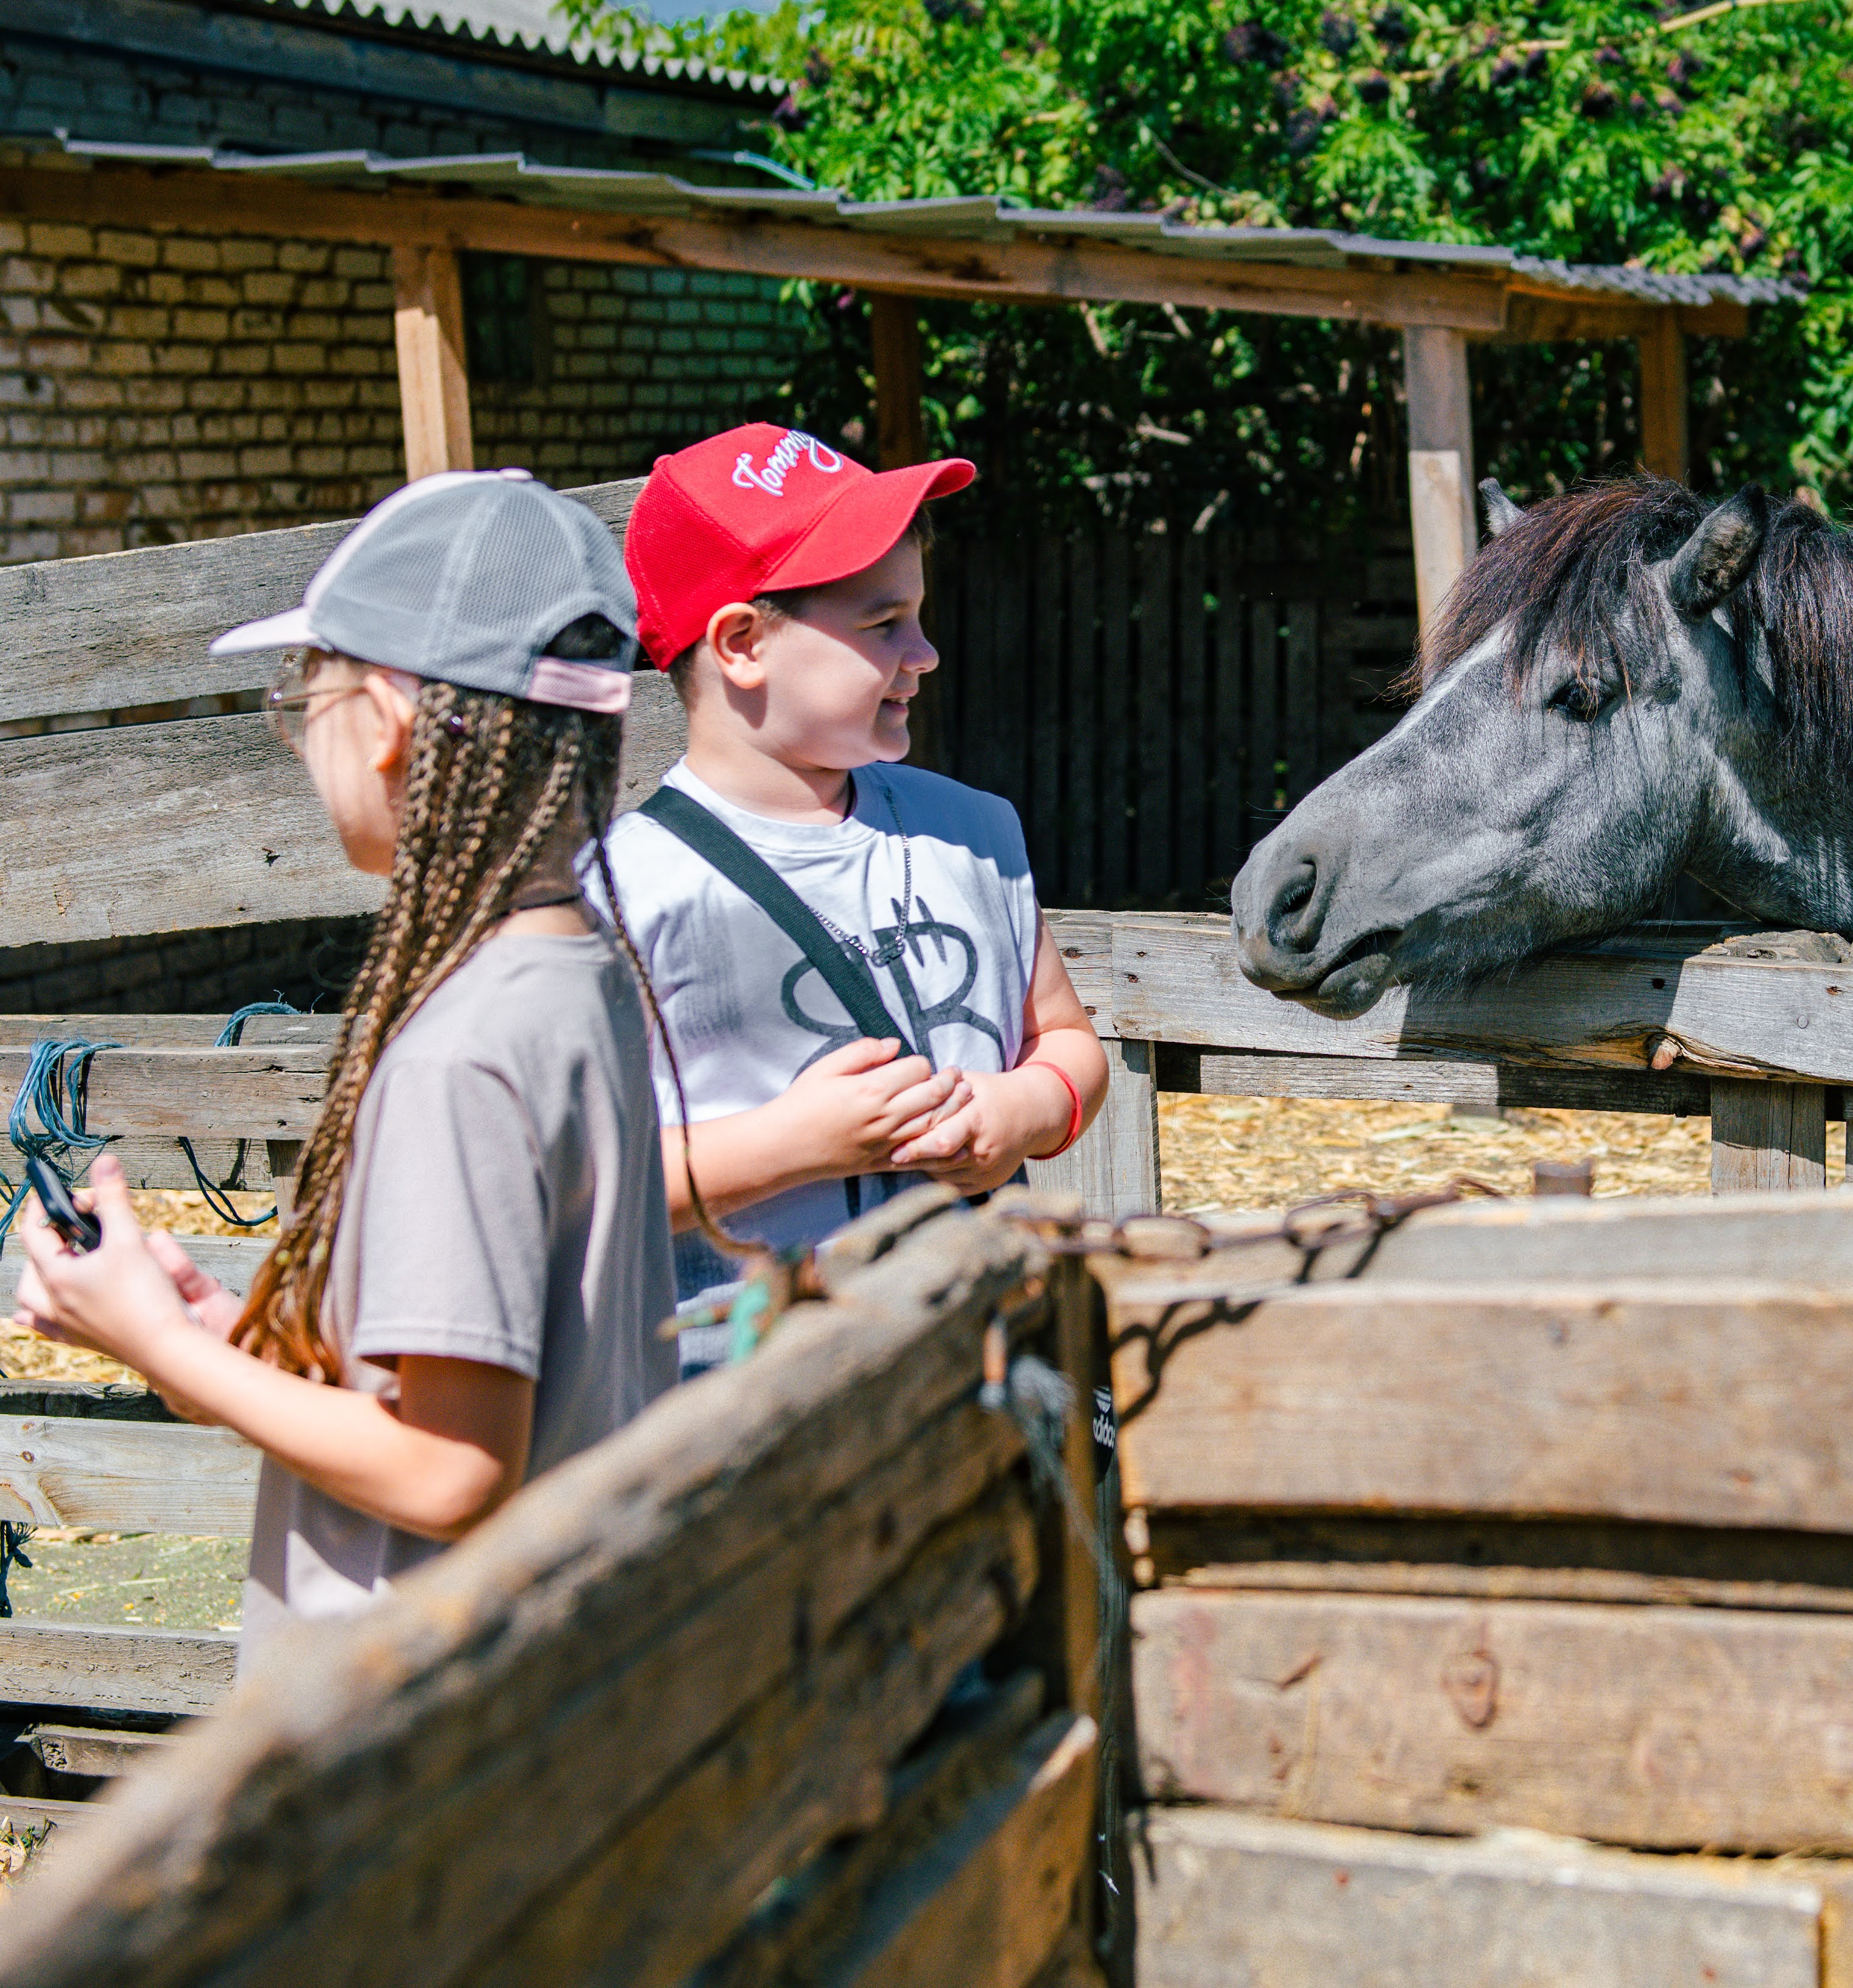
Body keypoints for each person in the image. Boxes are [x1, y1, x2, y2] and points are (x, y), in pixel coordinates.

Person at [10, 469, 678, 1662]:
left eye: (301, 691)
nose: (297, 727)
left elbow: (448, 1468)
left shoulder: (461, 1051)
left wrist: (162, 1353)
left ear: (390, 719)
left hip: (408, 1740)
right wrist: (216, 1332)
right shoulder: (581, 977)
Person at [597, 425, 1107, 1360]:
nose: (925, 652)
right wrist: (793, 1143)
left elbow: (1066, 1044)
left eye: (916, 617)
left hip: (982, 1359)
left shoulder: (975, 833)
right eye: (883, 626)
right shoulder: (620, 895)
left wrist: (1017, 1115)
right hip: (741, 1407)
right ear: (742, 642)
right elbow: (579, 1186)